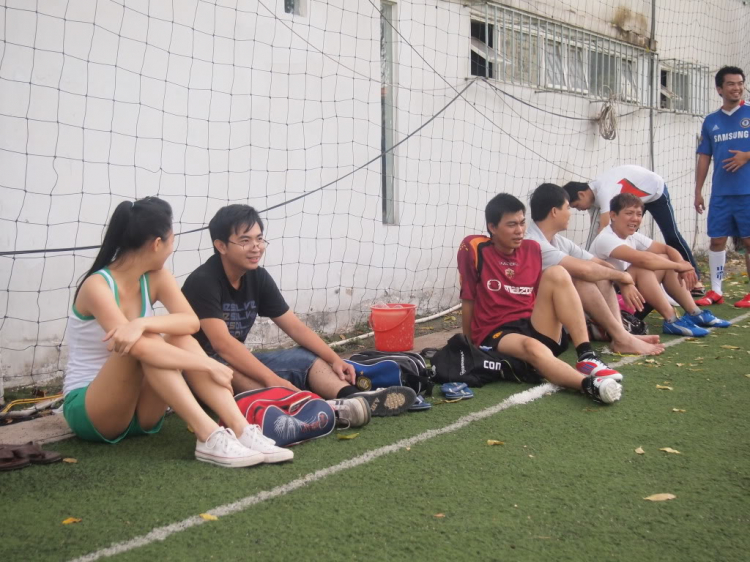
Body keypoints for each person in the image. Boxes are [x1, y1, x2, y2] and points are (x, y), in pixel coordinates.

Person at [63, 197, 293, 468]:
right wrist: (206, 364)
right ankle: (208, 434)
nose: (172, 249)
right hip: (94, 411)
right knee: (144, 343)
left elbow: (190, 323)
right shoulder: (97, 286)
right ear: (157, 244)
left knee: (174, 336)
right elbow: (135, 348)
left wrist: (142, 323)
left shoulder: (157, 276)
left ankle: (241, 428)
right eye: (172, 241)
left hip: (143, 413)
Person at [181, 205, 416, 419]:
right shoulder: (204, 281)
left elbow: (294, 327)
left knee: (307, 358)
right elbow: (222, 345)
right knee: (239, 373)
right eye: (245, 240)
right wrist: (272, 379)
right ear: (221, 245)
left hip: (237, 358)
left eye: (260, 239)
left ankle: (353, 398)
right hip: (201, 370)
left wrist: (334, 359)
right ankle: (315, 409)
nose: (256, 247)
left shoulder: (257, 277)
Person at [458, 193, 624, 405]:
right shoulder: (474, 248)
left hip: (534, 325)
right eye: (511, 225)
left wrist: (622, 277)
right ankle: (590, 385)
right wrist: (468, 344)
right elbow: (468, 298)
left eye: (522, 223)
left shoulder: (533, 248)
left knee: (558, 273)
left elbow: (543, 294)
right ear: (492, 227)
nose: (519, 231)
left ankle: (586, 355)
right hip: (498, 332)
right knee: (532, 348)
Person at [527, 183, 664, 356]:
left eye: (637, 214)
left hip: (557, 309)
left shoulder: (558, 241)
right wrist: (623, 278)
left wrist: (621, 277)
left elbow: (598, 264)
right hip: (536, 316)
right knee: (582, 277)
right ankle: (625, 335)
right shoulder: (534, 243)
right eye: (568, 208)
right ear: (554, 212)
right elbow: (585, 271)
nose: (570, 213)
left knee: (600, 275)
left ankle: (621, 335)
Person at [589, 193, 731, 337]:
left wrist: (682, 263)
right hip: (608, 309)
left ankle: (695, 313)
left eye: (639, 214)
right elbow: (644, 260)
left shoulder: (630, 235)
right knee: (643, 267)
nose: (635, 218)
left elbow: (666, 249)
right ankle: (671, 319)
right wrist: (679, 266)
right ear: (613, 215)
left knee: (664, 260)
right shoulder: (606, 238)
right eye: (629, 213)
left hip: (629, 299)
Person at [564, 165, 704, 296]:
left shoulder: (604, 192)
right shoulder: (594, 199)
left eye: (576, 205)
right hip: (633, 202)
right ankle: (635, 276)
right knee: (626, 234)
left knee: (672, 235)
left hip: (654, 192)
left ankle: (694, 278)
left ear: (582, 194)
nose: (579, 209)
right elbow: (597, 231)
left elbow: (605, 228)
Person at [694, 65, 750, 308]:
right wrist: (698, 190)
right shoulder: (711, 121)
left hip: (747, 192)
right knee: (716, 241)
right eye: (731, 84)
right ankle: (716, 290)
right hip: (721, 194)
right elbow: (704, 156)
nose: (736, 88)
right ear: (719, 89)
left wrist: (746, 156)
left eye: (740, 83)